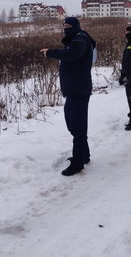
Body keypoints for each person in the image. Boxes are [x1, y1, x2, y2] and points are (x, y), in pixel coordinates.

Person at [40, 17, 95, 176]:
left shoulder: (81, 40)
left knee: (77, 126)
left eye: (68, 25)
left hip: (79, 90)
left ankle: (78, 163)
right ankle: (83, 155)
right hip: (74, 89)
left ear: (75, 26)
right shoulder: (77, 39)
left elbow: (73, 54)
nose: (65, 27)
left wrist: (50, 52)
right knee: (74, 124)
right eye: (64, 25)